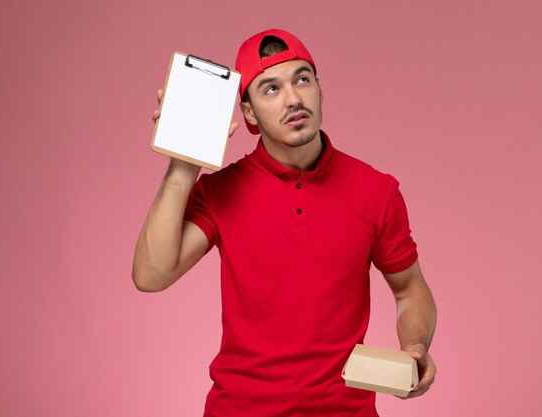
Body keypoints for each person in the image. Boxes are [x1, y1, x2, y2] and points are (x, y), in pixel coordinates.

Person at [132, 28, 437, 417]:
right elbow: (151, 276)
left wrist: (416, 347)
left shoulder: (376, 190)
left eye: (302, 80)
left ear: (320, 90)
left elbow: (410, 289)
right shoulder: (220, 192)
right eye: (270, 89)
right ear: (248, 113)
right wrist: (183, 165)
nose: (293, 98)